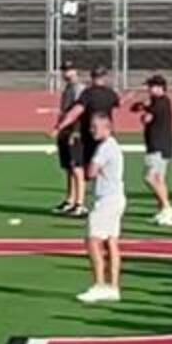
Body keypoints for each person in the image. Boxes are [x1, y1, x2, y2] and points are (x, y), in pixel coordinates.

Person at [54, 66, 119, 219]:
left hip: (87, 135)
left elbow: (76, 111)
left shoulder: (87, 93)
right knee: (101, 170)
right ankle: (77, 201)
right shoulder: (110, 94)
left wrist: (60, 126)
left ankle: (80, 203)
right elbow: (116, 106)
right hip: (105, 135)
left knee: (80, 168)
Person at [79, 112, 127, 303]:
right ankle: (113, 286)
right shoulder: (113, 146)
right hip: (116, 197)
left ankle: (100, 284)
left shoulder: (105, 147)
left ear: (107, 127)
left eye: (95, 127)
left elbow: (90, 172)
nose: (92, 131)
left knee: (93, 240)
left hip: (106, 200)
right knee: (112, 242)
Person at [135, 74, 172, 226]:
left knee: (149, 177)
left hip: (158, 145)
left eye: (151, 86)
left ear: (160, 87)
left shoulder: (161, 102)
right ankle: (163, 211)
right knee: (160, 179)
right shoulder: (158, 102)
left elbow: (146, 118)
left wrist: (143, 109)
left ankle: (167, 206)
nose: (148, 89)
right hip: (163, 144)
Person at [52, 64, 86, 214]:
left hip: (74, 131)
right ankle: (70, 199)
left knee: (77, 167)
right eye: (64, 70)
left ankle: (79, 203)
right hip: (66, 130)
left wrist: (75, 131)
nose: (66, 73)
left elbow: (79, 112)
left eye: (69, 70)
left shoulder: (79, 89)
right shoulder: (68, 88)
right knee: (69, 168)